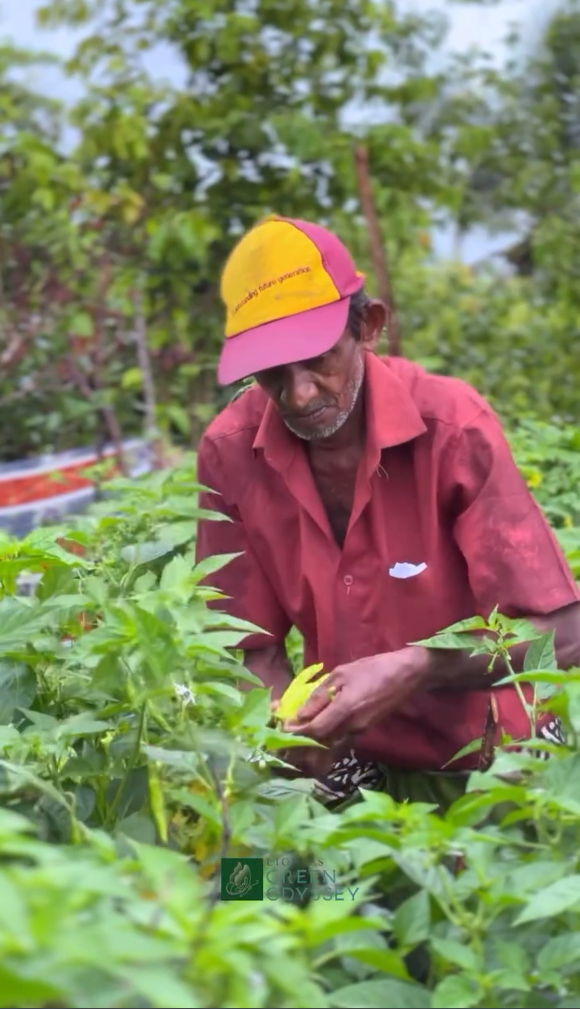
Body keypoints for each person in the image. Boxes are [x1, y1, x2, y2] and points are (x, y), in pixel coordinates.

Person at [194, 213, 580, 810]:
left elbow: (563, 634)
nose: (298, 395)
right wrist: (281, 726)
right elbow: (246, 644)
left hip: (495, 762)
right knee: (256, 888)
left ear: (368, 328)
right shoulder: (230, 452)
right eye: (272, 372)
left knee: (487, 898)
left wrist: (419, 666)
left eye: (317, 359)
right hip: (351, 762)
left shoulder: (453, 428)